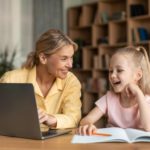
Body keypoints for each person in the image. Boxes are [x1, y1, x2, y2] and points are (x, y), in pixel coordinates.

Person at [0, 29, 82, 131]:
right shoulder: (11, 80)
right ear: (43, 58)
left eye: (71, 58)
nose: (70, 65)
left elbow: (74, 118)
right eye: (64, 59)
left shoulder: (71, 82)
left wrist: (51, 119)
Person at [77, 46, 150, 135]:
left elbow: (148, 126)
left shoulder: (146, 100)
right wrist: (87, 125)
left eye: (119, 70)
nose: (112, 75)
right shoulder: (109, 98)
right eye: (111, 71)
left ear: (138, 75)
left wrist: (139, 94)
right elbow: (86, 120)